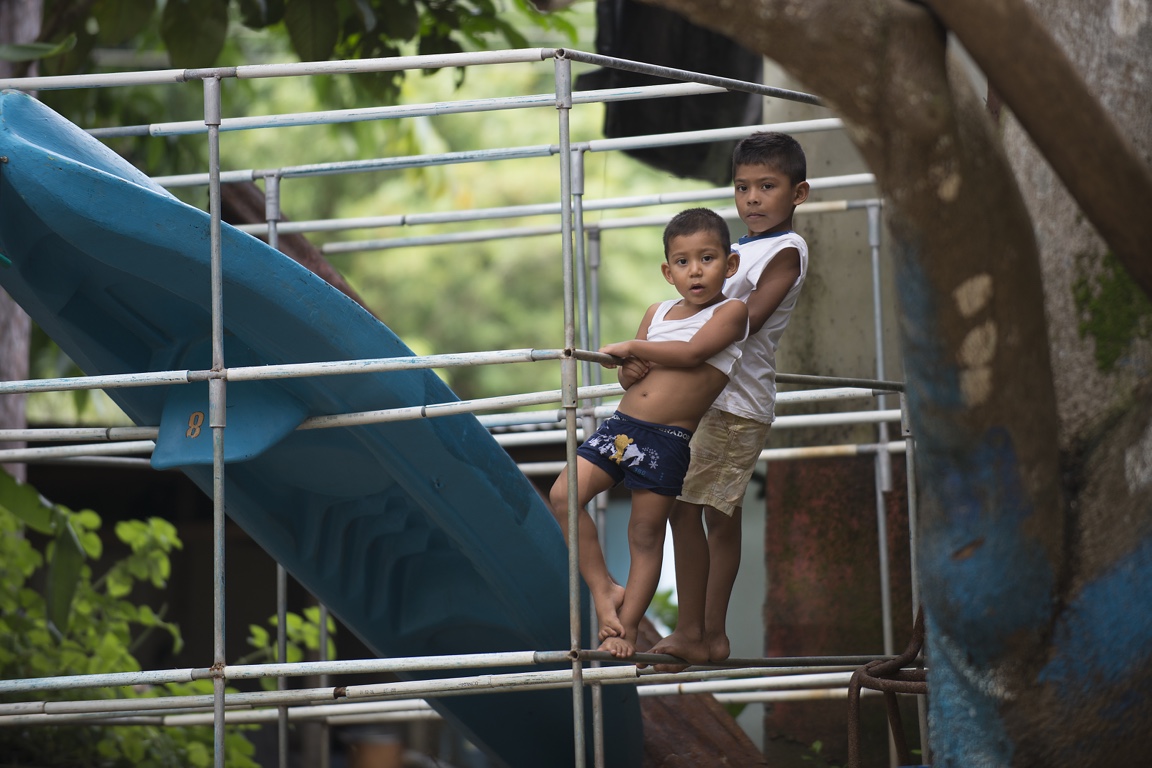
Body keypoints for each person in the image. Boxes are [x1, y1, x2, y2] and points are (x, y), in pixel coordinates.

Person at [549, 208, 749, 659]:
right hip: (621, 427)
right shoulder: (656, 312)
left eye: (707, 258)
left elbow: (692, 353)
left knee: (645, 534)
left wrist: (633, 347)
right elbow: (633, 376)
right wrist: (628, 369)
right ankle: (604, 589)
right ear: (667, 271)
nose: (695, 271)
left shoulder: (732, 312)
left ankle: (629, 627)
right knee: (564, 495)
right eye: (682, 261)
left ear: (730, 264)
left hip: (666, 440)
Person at [647, 132, 810, 670]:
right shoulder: (739, 250)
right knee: (716, 517)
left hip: (736, 403)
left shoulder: (786, 250)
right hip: (713, 400)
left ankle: (697, 632)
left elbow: (746, 319)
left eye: (767, 186)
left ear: (798, 193)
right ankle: (709, 635)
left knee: (685, 508)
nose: (753, 198)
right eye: (743, 187)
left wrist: (667, 335)